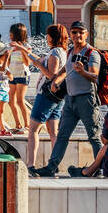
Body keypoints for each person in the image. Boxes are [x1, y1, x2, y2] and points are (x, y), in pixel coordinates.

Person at [34, 22, 104, 177]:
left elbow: (94, 76)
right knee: (62, 136)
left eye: (81, 32)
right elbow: (66, 68)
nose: (77, 35)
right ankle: (51, 167)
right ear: (71, 34)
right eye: (74, 32)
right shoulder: (71, 51)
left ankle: (100, 168)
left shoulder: (92, 53)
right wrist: (56, 80)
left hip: (87, 100)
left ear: (86, 34)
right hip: (70, 100)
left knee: (93, 136)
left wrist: (82, 71)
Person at [17, 23, 66, 169]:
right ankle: (54, 164)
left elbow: (51, 74)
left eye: (48, 35)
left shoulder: (55, 53)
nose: (46, 37)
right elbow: (41, 60)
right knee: (53, 132)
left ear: (53, 37)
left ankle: (31, 164)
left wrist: (38, 66)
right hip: (57, 98)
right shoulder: (62, 51)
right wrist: (25, 51)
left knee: (33, 130)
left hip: (45, 96)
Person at [4, 22, 31, 134]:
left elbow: (27, 62)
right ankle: (18, 125)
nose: (9, 34)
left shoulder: (27, 47)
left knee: (20, 101)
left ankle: (27, 126)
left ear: (17, 34)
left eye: (11, 33)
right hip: (13, 76)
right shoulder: (11, 46)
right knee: (11, 101)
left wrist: (21, 49)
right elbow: (8, 61)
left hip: (22, 75)